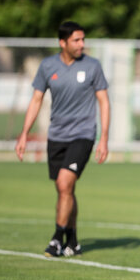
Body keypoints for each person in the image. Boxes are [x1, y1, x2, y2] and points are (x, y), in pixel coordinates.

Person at [15, 21, 110, 257]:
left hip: (83, 135)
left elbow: (104, 101)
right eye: (76, 40)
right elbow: (36, 100)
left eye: (83, 39)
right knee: (64, 190)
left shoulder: (92, 66)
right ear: (62, 42)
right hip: (56, 136)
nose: (82, 44)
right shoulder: (48, 66)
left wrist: (104, 138)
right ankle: (74, 240)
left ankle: (57, 238)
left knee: (65, 184)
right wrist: (24, 133)